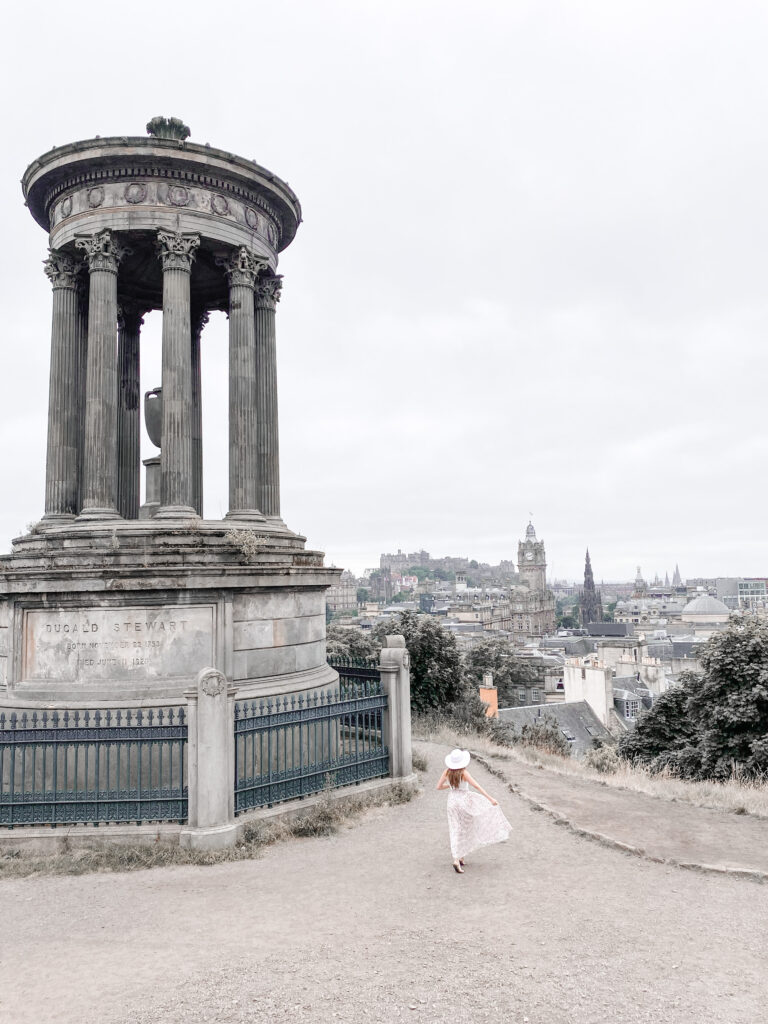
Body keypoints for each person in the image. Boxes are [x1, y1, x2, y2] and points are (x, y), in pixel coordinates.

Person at [436, 748, 512, 873]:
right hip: (465, 801)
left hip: (452, 801)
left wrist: (450, 786)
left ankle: (458, 857)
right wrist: (490, 798)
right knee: (466, 827)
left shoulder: (447, 772)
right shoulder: (464, 773)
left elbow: (438, 787)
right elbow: (476, 786)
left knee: (455, 828)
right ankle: (458, 858)